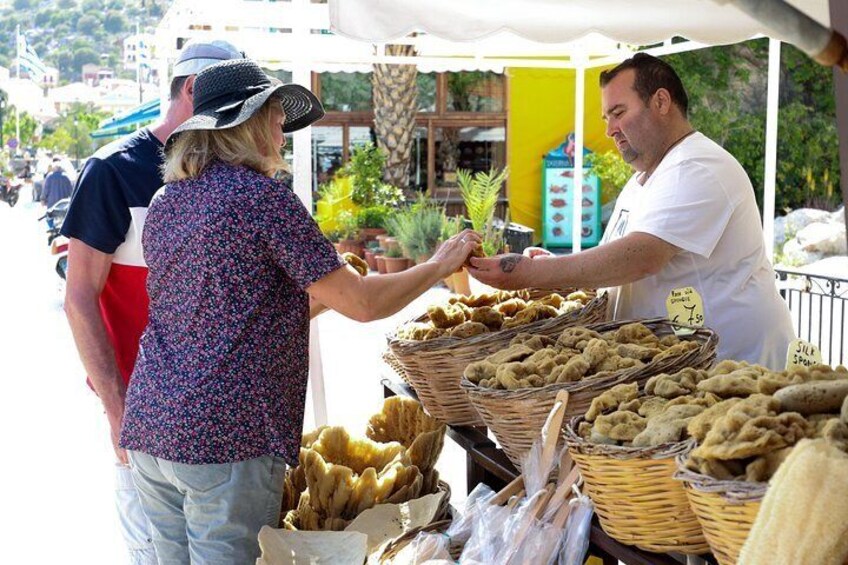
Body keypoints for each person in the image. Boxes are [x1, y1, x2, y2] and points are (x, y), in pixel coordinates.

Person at [119, 58, 480, 564]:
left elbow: (222, 313)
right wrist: (438, 265)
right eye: (274, 117)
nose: (281, 132)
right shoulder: (262, 199)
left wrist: (316, 300)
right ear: (248, 124)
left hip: (152, 424)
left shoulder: (166, 201)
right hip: (227, 434)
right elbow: (363, 302)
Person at [468, 53, 794, 369]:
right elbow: (616, 261)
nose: (610, 129)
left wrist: (529, 274)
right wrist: (558, 268)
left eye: (619, 113)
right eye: (606, 118)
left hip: (732, 365)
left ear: (661, 102)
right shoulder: (647, 177)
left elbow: (643, 256)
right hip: (683, 363)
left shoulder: (696, 165)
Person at [60, 39, 245, 564]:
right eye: (228, 103)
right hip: (145, 425)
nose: (237, 119)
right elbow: (79, 298)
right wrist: (117, 409)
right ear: (191, 90)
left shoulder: (227, 172)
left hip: (218, 424)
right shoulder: (113, 171)